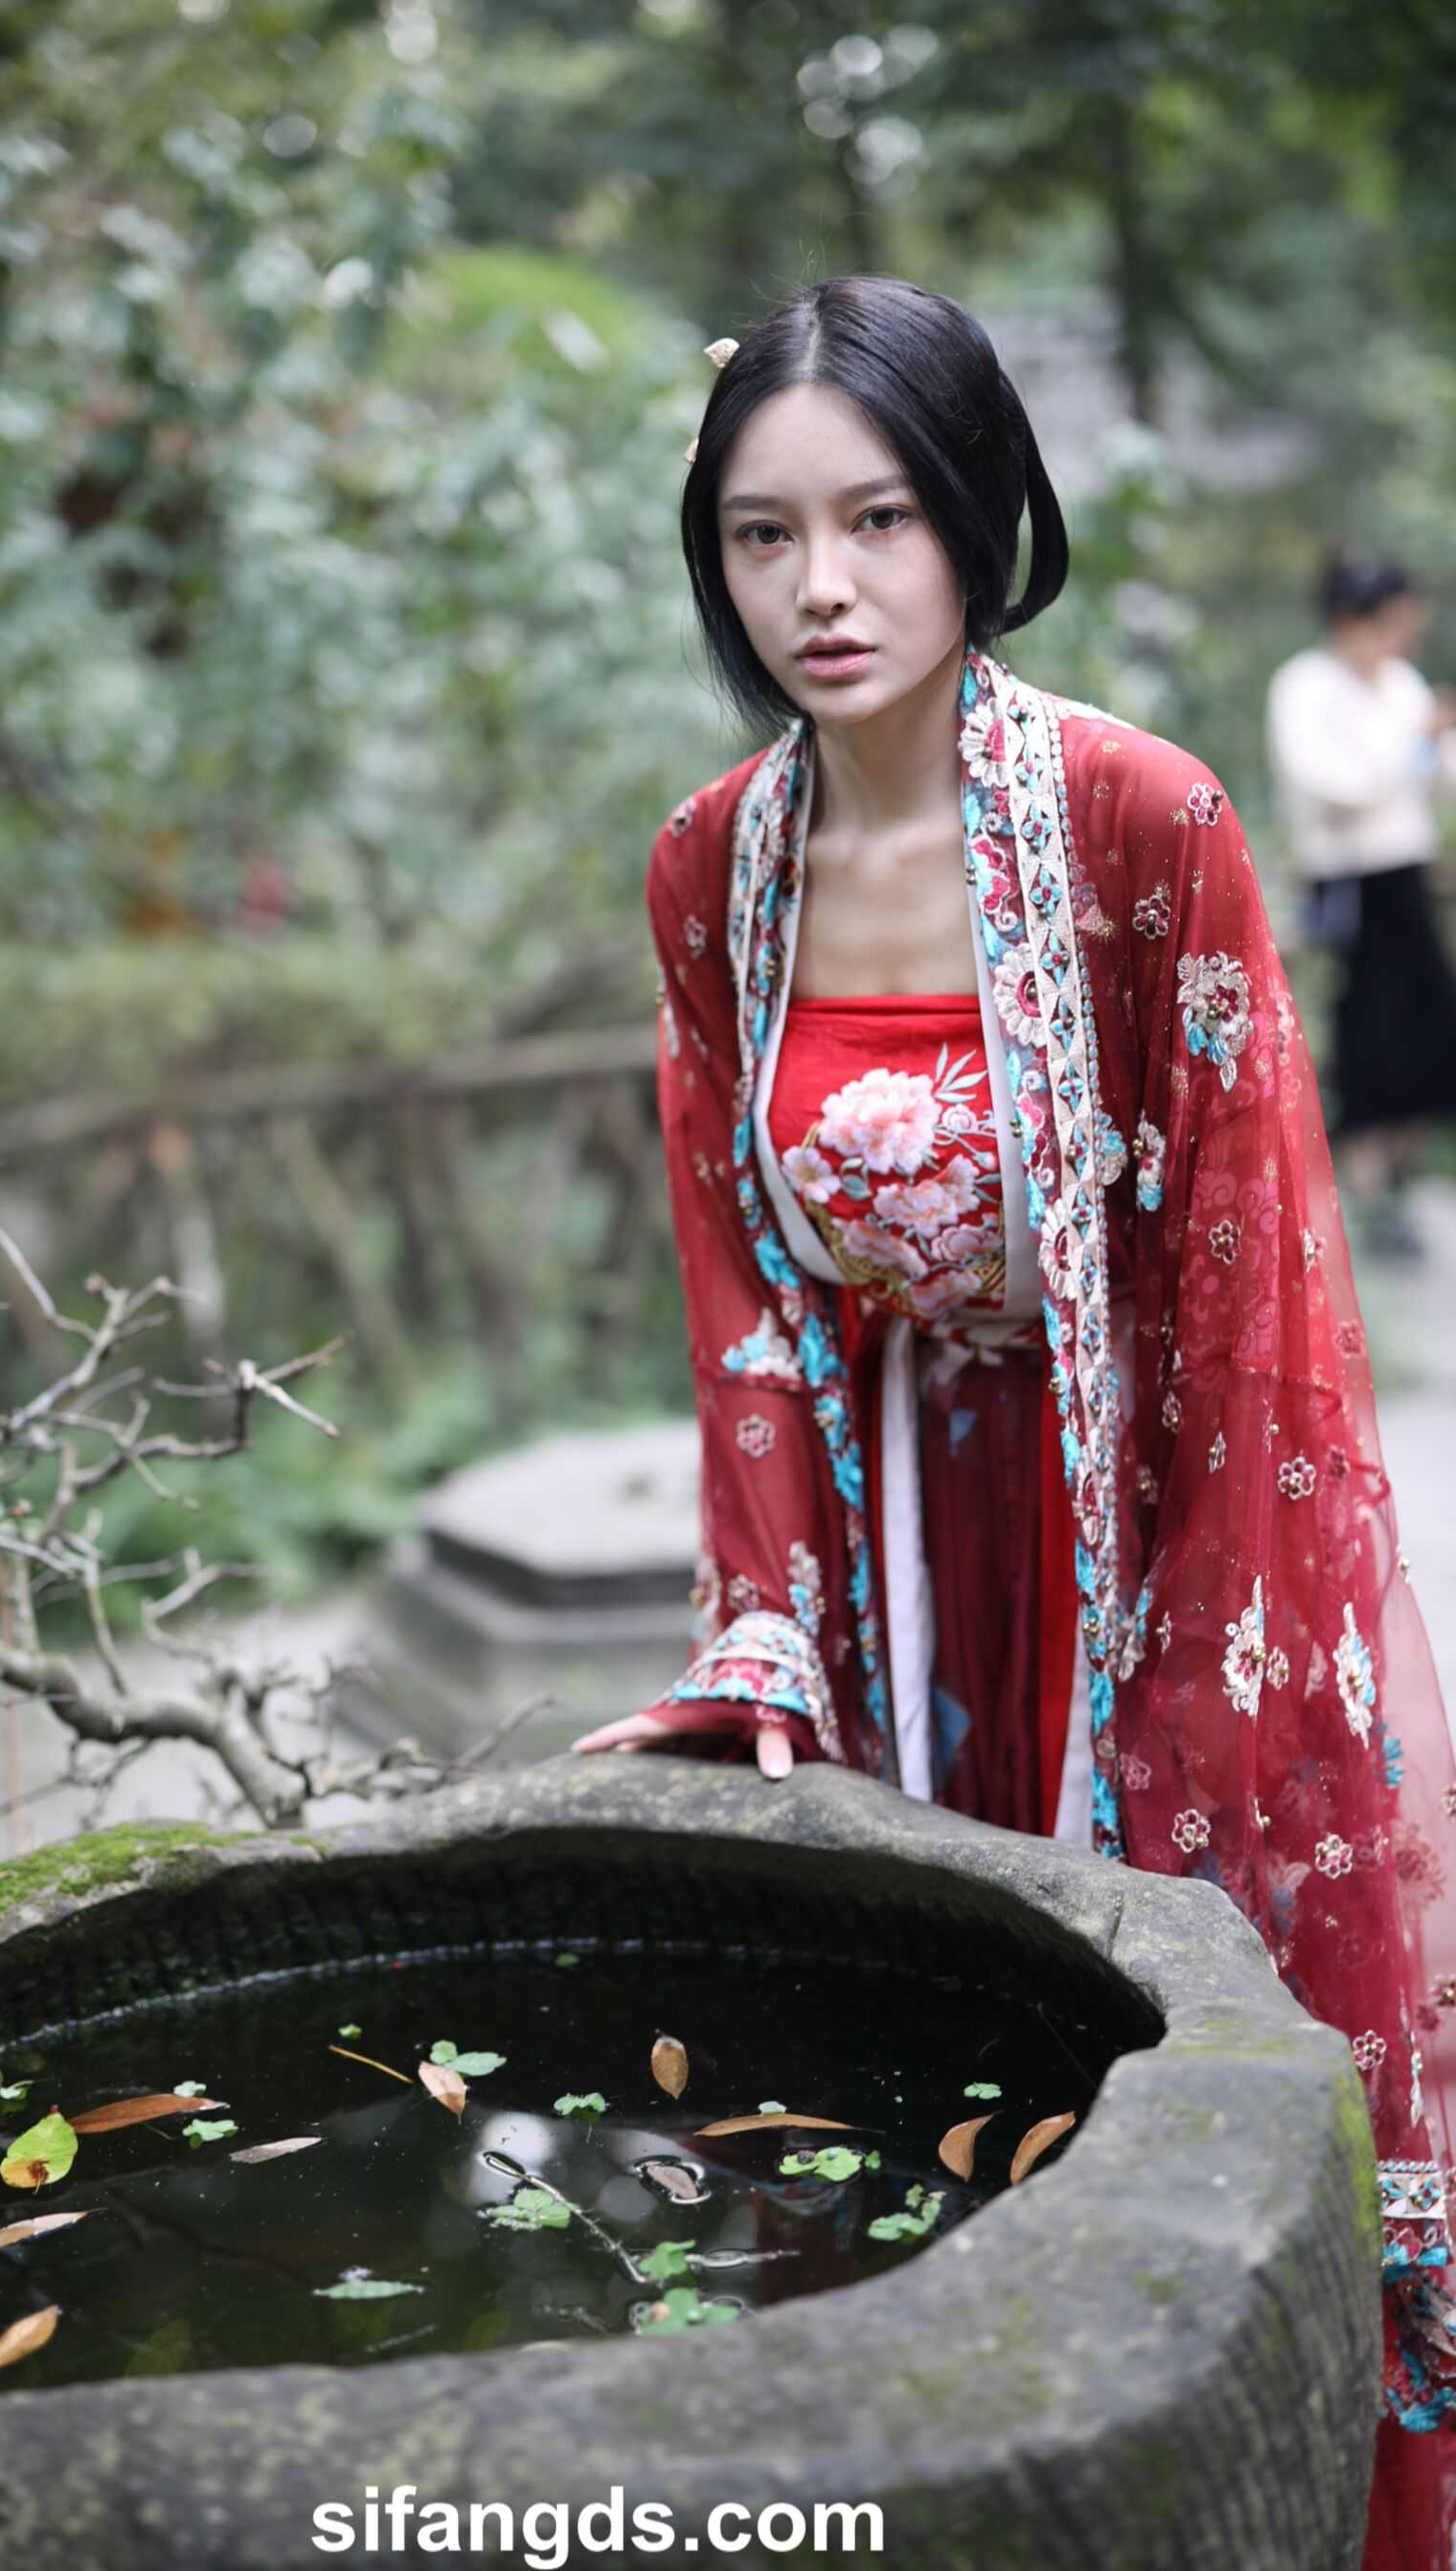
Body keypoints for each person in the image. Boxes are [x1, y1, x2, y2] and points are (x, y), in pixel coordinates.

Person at [568, 275, 1456, 2566]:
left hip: (1156, 1519)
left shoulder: (1144, 820)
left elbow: (1252, 1290)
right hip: (893, 1538)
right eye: (763, 534)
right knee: (903, 2119)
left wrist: (1197, 1683)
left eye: (878, 518)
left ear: (978, 515)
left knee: (1173, 2107)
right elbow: (745, 1285)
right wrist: (761, 1626)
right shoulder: (711, 865)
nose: (823, 586)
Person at [1266, 550, 1456, 1260]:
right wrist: (1414, 748)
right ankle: (1360, 1190)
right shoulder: (1305, 685)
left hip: (1405, 875)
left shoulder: (1401, 684)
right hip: (1344, 882)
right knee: (1363, 1032)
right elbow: (1332, 787)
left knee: (1427, 1025)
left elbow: (1435, 777)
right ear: (1352, 621)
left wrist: (1430, 748)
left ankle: (1398, 1179)